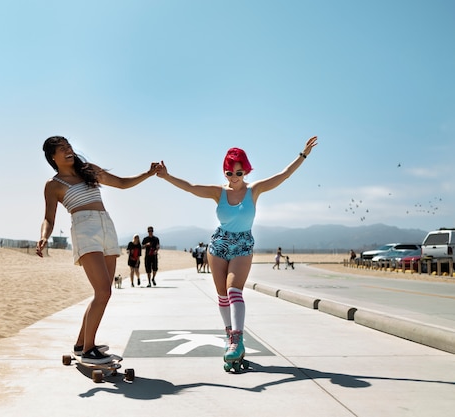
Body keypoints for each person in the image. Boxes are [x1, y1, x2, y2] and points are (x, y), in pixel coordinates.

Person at [156, 136, 318, 364]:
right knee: (222, 294)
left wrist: (303, 155)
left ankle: (238, 340)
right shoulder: (218, 192)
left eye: (238, 173)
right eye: (229, 173)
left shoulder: (255, 190)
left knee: (234, 290)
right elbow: (191, 188)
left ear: (246, 171)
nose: (234, 178)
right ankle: (228, 336)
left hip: (243, 245)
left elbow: (284, 175)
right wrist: (167, 176)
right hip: (219, 245)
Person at [36, 136, 159, 364]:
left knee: (102, 292)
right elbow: (48, 218)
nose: (68, 151)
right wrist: (44, 237)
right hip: (84, 229)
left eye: (69, 146)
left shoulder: (88, 170)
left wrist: (148, 174)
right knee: (103, 292)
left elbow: (121, 183)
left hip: (106, 227)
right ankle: (89, 350)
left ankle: (82, 343)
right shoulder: (53, 185)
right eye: (62, 149)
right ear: (53, 157)